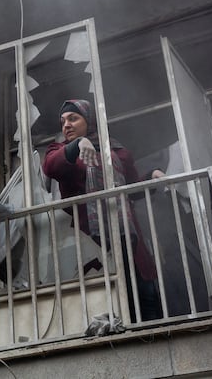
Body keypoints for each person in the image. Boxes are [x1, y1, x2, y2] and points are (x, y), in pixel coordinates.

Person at [42, 99, 162, 322]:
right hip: (91, 244)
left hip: (127, 238)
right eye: (63, 121)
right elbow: (51, 166)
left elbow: (131, 188)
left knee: (146, 303)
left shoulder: (115, 150)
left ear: (89, 121)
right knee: (111, 307)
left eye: (73, 118)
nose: (66, 125)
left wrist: (151, 176)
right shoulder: (60, 150)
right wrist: (77, 144)